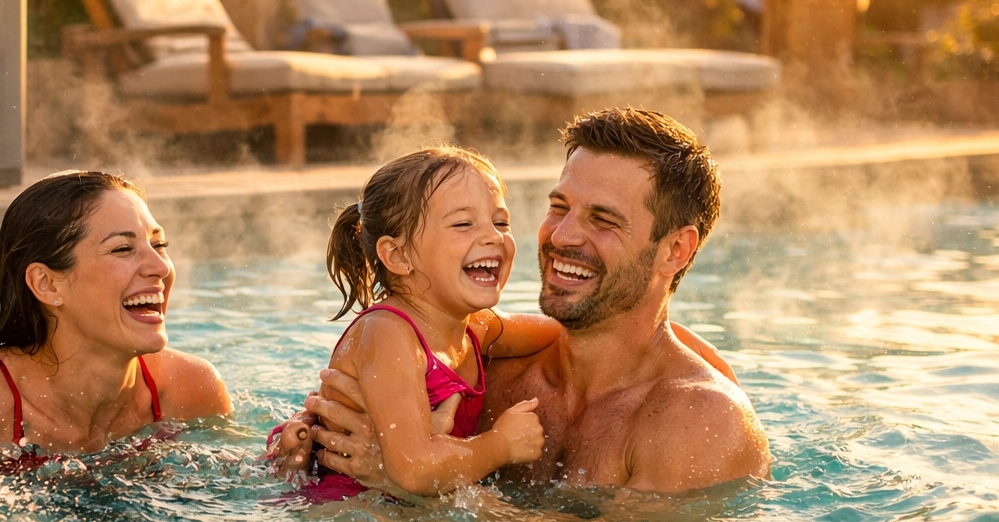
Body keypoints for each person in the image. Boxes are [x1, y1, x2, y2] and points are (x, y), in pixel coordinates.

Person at [295, 109, 770, 496]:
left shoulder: (698, 424)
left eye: (603, 219)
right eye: (559, 207)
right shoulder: (485, 366)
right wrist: (310, 441)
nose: (562, 236)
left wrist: (406, 489)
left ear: (676, 250)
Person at [270, 147, 562, 499]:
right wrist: (499, 445)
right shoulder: (388, 333)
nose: (494, 237)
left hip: (402, 507)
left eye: (500, 222)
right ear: (398, 255)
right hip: (347, 512)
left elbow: (564, 333)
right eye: (463, 224)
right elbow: (414, 468)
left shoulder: (477, 328)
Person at [0, 171, 231, 460]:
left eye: (159, 245)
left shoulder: (191, 388)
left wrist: (283, 462)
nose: (161, 267)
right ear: (47, 284)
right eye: (123, 249)